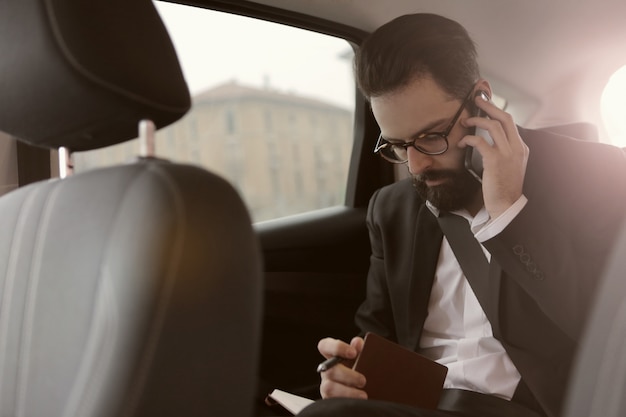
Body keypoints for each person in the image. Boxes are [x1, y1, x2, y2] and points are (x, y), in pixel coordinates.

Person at [298, 13, 626, 417]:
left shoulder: (600, 176)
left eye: (431, 136)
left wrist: (509, 214)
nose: (415, 166)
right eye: (399, 145)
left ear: (481, 101)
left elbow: (611, 335)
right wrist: (348, 374)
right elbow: (377, 338)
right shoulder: (391, 209)